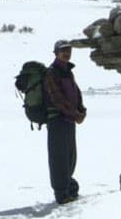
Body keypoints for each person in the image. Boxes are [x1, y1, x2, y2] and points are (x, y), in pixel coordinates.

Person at [43, 40, 85, 204]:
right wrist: (75, 114)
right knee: (59, 157)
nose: (67, 53)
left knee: (70, 156)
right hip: (57, 120)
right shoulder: (52, 72)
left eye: (68, 50)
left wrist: (81, 110)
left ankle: (69, 187)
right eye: (63, 51)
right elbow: (57, 98)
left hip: (69, 119)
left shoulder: (68, 71)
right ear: (56, 53)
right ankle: (61, 193)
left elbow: (76, 93)